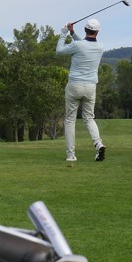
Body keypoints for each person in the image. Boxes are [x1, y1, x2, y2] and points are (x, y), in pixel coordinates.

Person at [57, 18, 106, 162]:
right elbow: (83, 44)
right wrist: (72, 33)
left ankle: (71, 155)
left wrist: (64, 33)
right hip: (91, 87)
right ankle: (98, 144)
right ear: (97, 32)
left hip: (74, 86)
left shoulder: (77, 45)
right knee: (89, 118)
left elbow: (59, 51)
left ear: (85, 30)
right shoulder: (100, 46)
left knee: (70, 120)